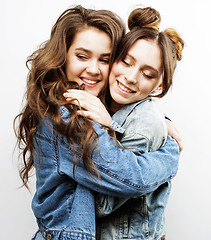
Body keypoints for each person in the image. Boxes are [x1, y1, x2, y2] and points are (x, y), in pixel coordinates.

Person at [14, 5, 180, 240]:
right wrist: (170, 151)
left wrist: (160, 122)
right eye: (82, 56)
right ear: (63, 56)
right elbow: (132, 178)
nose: (93, 69)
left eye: (105, 59)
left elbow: (125, 111)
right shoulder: (64, 117)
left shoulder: (93, 101)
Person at [63, 7, 184, 240]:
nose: (130, 77)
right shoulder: (102, 100)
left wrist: (107, 129)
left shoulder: (146, 124)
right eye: (126, 62)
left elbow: (101, 205)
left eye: (147, 74)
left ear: (158, 87)